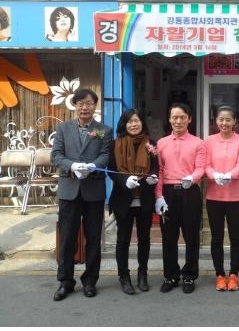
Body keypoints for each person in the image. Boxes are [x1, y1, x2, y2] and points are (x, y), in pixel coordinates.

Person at [51, 88, 112, 301]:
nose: (84, 107)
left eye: (89, 103)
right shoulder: (63, 128)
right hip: (69, 190)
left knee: (93, 238)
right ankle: (65, 281)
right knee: (67, 237)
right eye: (80, 103)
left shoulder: (104, 130)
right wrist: (72, 165)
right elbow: (56, 155)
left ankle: (90, 280)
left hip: (93, 190)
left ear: (95, 106)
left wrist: (92, 166)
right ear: (75, 106)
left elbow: (106, 155)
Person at [154, 102, 206, 294]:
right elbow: (159, 171)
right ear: (169, 119)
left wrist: (192, 178)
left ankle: (189, 275)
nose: (178, 121)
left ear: (189, 119)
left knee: (191, 236)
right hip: (168, 193)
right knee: (169, 237)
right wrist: (158, 196)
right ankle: (171, 275)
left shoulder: (198, 143)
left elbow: (201, 167)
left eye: (182, 117)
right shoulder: (161, 143)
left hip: (189, 191)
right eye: (174, 117)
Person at [108, 109, 159, 295]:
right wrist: (124, 180)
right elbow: (111, 169)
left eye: (137, 121)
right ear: (124, 124)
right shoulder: (115, 144)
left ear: (142, 123)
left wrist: (153, 176)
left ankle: (142, 274)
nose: (134, 124)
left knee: (144, 239)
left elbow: (156, 167)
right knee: (123, 239)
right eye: (130, 121)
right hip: (123, 198)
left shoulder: (151, 143)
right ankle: (124, 276)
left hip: (144, 198)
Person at [204, 105, 239, 291]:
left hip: (235, 197)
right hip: (214, 196)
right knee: (216, 238)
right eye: (221, 119)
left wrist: (230, 175)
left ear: (234, 121)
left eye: (228, 119)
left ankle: (234, 274)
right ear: (216, 121)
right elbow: (206, 165)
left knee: (235, 237)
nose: (224, 123)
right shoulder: (209, 141)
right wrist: (214, 175)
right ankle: (219, 274)